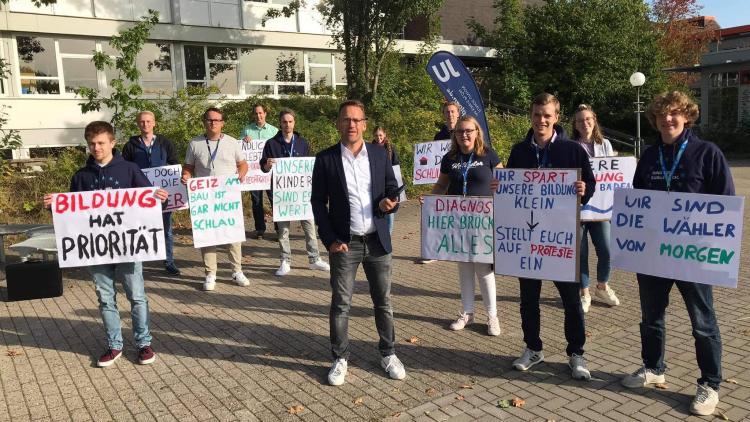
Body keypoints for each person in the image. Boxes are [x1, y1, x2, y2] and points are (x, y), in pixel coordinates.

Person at [621, 91, 733, 416]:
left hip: (692, 256)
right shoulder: (650, 155)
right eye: (661, 115)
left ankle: (710, 384)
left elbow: (724, 205)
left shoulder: (706, 153)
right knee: (651, 318)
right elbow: (638, 199)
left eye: (674, 114)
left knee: (702, 322)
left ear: (687, 116)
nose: (667, 120)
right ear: (654, 120)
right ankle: (654, 368)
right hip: (654, 255)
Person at [43, 121, 168, 367]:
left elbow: (148, 205)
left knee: (137, 296)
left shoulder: (130, 170)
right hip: (96, 251)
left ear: (112, 143)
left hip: (128, 247)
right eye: (92, 143)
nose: (96, 147)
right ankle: (114, 344)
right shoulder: (81, 176)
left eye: (101, 143)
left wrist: (159, 200)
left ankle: (143, 343)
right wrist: (54, 208)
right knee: (105, 298)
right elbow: (73, 217)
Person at [311, 100, 404, 386]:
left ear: (364, 124)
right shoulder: (325, 159)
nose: (351, 124)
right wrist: (328, 239)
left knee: (383, 302)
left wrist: (391, 203)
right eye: (345, 119)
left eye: (356, 120)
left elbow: (392, 189)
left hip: (377, 241)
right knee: (341, 304)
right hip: (344, 244)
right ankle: (340, 358)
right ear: (338, 124)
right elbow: (317, 201)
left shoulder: (379, 155)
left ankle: (388, 353)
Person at [505, 93, 596, 380]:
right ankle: (533, 348)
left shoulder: (573, 151)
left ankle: (576, 354)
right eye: (536, 115)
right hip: (528, 240)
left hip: (561, 239)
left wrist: (584, 190)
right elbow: (511, 190)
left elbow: (590, 186)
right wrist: (501, 186)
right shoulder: (519, 151)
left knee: (571, 300)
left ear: (556, 117)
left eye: (547, 115)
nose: (541, 120)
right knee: (528, 299)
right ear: (530, 117)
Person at [425, 116, 502, 336]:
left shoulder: (488, 154)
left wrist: (501, 188)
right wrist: (431, 199)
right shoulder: (450, 158)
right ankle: (467, 312)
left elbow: (504, 180)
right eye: (459, 132)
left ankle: (492, 315)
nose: (464, 135)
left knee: (484, 269)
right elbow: (442, 184)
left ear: (477, 132)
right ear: (455, 135)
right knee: (464, 267)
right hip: (458, 221)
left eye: (468, 131)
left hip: (484, 221)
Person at [181, 107, 250, 291]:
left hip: (227, 196)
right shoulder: (195, 143)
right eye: (210, 120)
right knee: (208, 236)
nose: (213, 123)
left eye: (217, 120)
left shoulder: (233, 142)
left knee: (233, 235)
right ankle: (210, 274)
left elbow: (243, 164)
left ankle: (237, 271)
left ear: (222, 123)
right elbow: (188, 167)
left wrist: (241, 174)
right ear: (204, 122)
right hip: (205, 197)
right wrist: (186, 176)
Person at [259, 108, 330, 276]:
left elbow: (309, 166)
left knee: (309, 227)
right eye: (284, 122)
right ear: (280, 123)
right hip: (282, 194)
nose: (287, 125)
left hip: (302, 194)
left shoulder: (302, 142)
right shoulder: (271, 143)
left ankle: (314, 259)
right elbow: (263, 167)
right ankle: (285, 260)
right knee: (283, 230)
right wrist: (267, 165)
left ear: (294, 123)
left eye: (290, 122)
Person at [571, 104, 620, 312]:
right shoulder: (570, 146)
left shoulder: (605, 144)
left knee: (607, 250)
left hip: (601, 209)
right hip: (579, 208)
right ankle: (584, 292)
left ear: (594, 120)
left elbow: (611, 175)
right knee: (581, 254)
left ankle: (602, 285)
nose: (585, 123)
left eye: (588, 119)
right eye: (580, 120)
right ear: (575, 124)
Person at [122, 110, 181, 276]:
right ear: (138, 124)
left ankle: (169, 261)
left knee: (166, 229)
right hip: (140, 197)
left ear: (154, 123)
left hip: (162, 195)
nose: (145, 124)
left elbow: (174, 164)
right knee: (138, 229)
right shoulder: (130, 146)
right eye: (142, 122)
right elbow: (125, 169)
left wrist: (177, 184)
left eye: (148, 121)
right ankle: (136, 263)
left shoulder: (165, 143)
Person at [242, 104, 278, 240]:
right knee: (256, 201)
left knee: (274, 199)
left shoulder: (274, 131)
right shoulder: (247, 130)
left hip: (270, 172)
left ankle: (279, 229)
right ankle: (260, 229)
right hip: (254, 174)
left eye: (261, 113)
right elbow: (240, 150)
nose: (258, 116)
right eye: (256, 113)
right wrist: (244, 140)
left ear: (265, 113)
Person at [371, 126, 400, 234]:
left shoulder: (391, 148)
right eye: (376, 135)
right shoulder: (369, 148)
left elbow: (396, 165)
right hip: (376, 185)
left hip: (389, 185)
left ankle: (388, 237)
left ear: (385, 135)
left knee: (390, 214)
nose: (378, 138)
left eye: (380, 135)